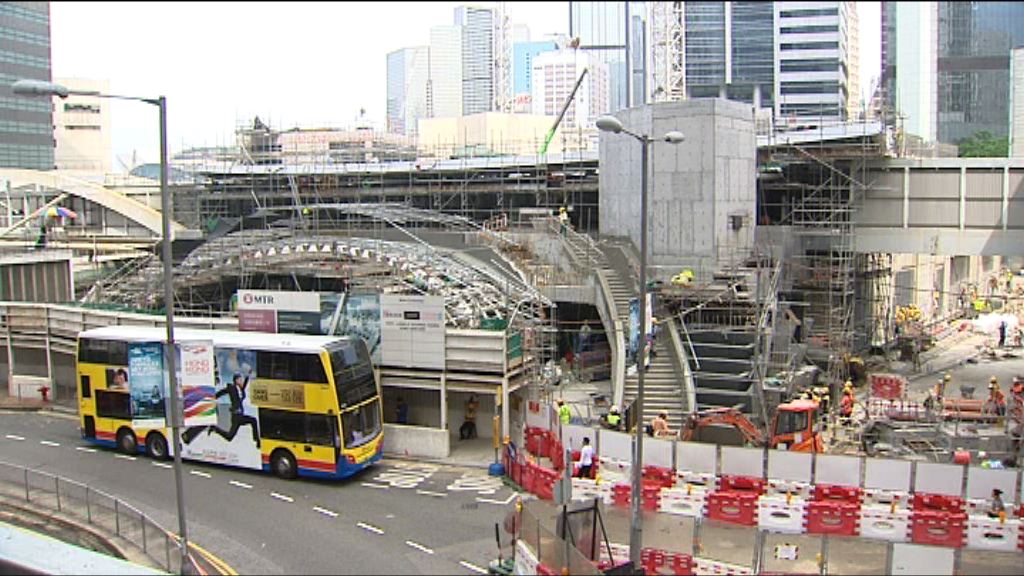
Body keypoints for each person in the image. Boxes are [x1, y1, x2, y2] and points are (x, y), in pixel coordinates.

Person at [208, 372, 260, 447]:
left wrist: (248, 374)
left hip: (240, 416)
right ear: (236, 380)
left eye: (241, 379)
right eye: (240, 379)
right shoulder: (231, 388)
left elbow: (245, 382)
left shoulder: (241, 389)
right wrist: (212, 398)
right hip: (236, 416)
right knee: (230, 437)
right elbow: (221, 392)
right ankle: (214, 428)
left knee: (253, 421)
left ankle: (256, 440)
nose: (241, 381)